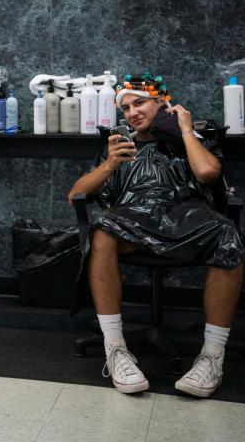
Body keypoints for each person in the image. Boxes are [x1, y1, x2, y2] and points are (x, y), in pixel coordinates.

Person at [68, 73, 244, 398]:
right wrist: (109, 165)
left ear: (161, 102)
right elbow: (76, 195)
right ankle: (117, 349)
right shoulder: (119, 146)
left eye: (140, 103)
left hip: (185, 217)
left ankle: (211, 357)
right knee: (103, 227)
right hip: (132, 220)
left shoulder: (189, 140)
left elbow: (206, 172)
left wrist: (185, 129)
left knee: (227, 232)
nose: (132, 112)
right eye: (125, 108)